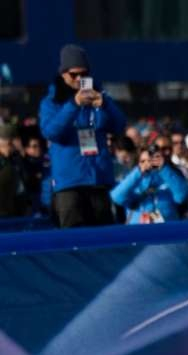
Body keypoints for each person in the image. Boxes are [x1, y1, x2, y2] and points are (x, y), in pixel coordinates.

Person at [39, 44, 127, 227]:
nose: (79, 79)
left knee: (104, 240)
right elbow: (50, 131)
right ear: (63, 74)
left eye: (84, 74)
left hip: (98, 180)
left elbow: (119, 126)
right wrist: (74, 104)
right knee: (73, 241)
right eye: (74, 75)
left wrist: (105, 104)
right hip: (69, 184)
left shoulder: (100, 95)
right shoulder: (51, 102)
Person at [110, 144, 188, 224]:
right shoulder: (132, 180)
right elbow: (117, 197)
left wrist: (163, 168)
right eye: (143, 161)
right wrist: (138, 172)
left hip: (166, 230)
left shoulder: (168, 177)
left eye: (151, 160)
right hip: (138, 231)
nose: (148, 164)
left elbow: (182, 196)